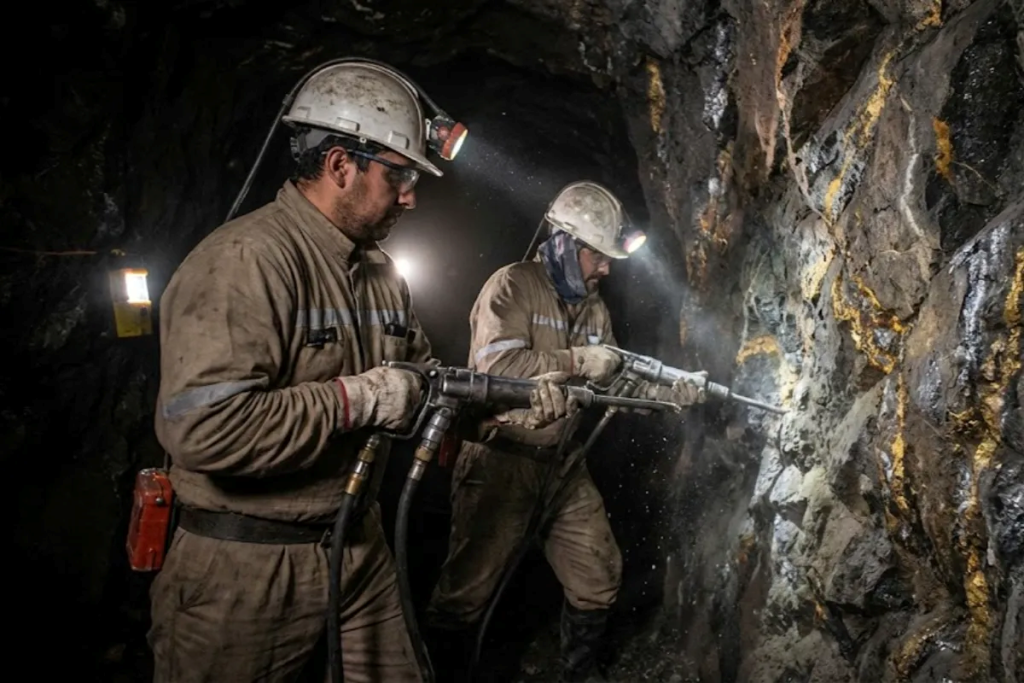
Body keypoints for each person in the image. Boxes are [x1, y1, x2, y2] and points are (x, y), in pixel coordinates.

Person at [148, 60, 572, 683]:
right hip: (247, 565)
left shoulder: (382, 274)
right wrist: (359, 399)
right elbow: (205, 428)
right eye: (398, 175)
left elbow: (422, 384)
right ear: (341, 165)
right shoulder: (245, 261)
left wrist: (504, 405)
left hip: (357, 549)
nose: (410, 195)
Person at [423, 180, 704, 682]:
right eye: (597, 255)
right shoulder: (511, 285)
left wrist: (668, 394)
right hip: (501, 458)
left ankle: (578, 671)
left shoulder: (595, 306)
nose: (606, 268)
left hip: (562, 465)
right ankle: (446, 671)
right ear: (564, 244)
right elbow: (499, 368)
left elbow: (614, 376)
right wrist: (576, 360)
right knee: (466, 595)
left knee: (599, 575)